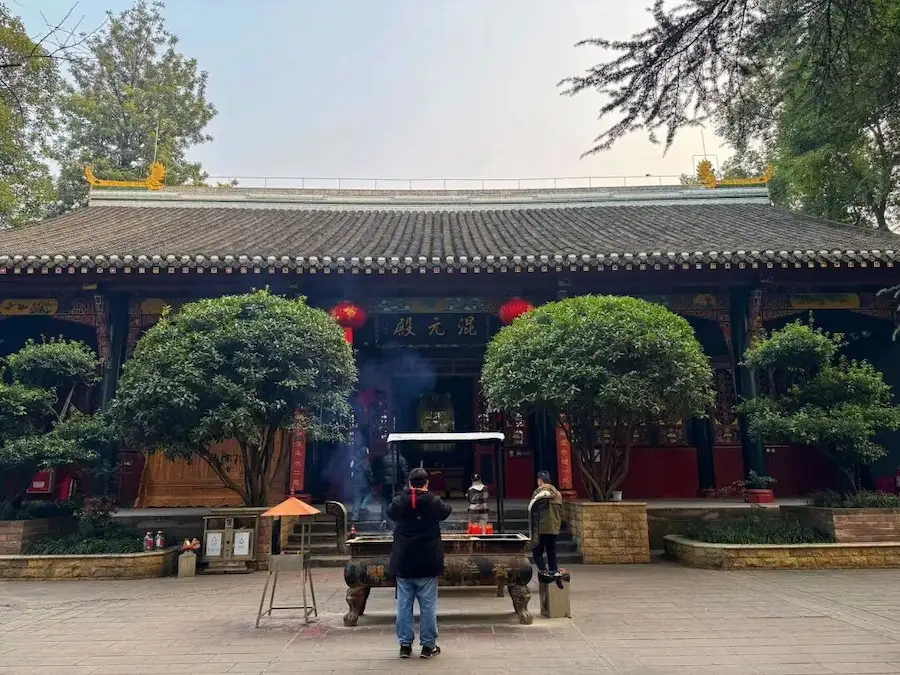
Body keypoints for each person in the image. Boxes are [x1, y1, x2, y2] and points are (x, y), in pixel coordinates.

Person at [387, 467, 452, 659]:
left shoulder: (399, 501)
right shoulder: (434, 501)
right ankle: (428, 645)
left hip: (404, 560)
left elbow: (390, 512)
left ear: (409, 483)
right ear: (426, 483)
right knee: (428, 606)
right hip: (428, 560)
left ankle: (405, 645)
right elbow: (446, 511)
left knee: (404, 606)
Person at [529, 470, 563, 575]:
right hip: (554, 528)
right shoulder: (558, 494)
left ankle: (544, 573)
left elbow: (533, 511)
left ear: (540, 481)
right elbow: (562, 512)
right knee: (551, 552)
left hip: (541, 528)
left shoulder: (537, 493)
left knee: (537, 553)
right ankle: (553, 573)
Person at [380, 447, 409, 529]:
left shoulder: (384, 458)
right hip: (397, 483)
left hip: (386, 483)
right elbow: (405, 471)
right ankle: (395, 518)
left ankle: (384, 519)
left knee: (385, 501)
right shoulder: (401, 459)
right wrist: (406, 482)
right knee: (397, 500)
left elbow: (380, 471)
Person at [349, 436, 374, 524]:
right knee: (370, 494)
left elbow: (351, 471)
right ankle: (363, 506)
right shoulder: (366, 461)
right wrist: (372, 480)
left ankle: (355, 517)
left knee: (357, 499)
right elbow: (368, 472)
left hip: (355, 482)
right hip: (364, 482)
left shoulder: (354, 461)